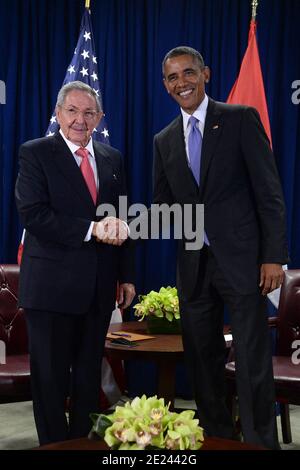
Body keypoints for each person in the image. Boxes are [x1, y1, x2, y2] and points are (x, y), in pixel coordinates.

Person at [152, 46, 289, 449]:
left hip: (245, 263)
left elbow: (270, 194)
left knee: (251, 361)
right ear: (165, 85)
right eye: (173, 77)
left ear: (206, 74)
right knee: (203, 362)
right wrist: (126, 224)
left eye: (189, 72)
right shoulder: (164, 140)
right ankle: (218, 441)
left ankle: (261, 443)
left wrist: (273, 256)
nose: (182, 83)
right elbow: (162, 207)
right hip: (194, 267)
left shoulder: (240, 119)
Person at [15, 81, 135, 445]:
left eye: (88, 113)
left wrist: (126, 276)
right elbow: (34, 215)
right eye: (72, 111)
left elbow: (121, 218)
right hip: (50, 291)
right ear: (58, 113)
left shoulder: (112, 157)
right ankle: (54, 446)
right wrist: (92, 229)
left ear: (99, 118)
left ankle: (81, 444)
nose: (80, 120)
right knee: (50, 382)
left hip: (98, 290)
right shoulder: (35, 153)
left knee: (87, 379)